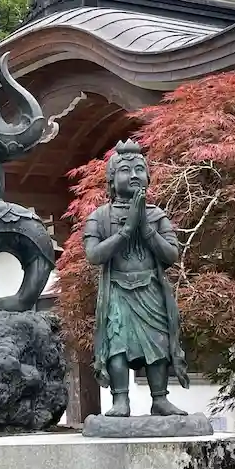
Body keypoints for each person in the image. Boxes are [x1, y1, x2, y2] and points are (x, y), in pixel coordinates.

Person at [83, 138, 190, 418]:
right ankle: (120, 400)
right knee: (117, 343)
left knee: (157, 342)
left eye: (139, 170)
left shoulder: (156, 215)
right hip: (117, 288)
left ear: (148, 177)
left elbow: (171, 255)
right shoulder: (100, 216)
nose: (133, 175)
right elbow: (94, 255)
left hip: (150, 288)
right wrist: (125, 231)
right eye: (125, 170)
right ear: (111, 179)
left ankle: (160, 399)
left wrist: (145, 228)